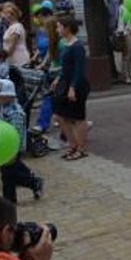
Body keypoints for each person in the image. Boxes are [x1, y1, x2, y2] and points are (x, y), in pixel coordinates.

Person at [0, 76, 44, 202]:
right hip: (3, 145)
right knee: (7, 174)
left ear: (8, 97)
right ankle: (11, 199)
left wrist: (14, 151)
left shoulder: (16, 113)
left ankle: (32, 183)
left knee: (9, 174)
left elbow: (16, 134)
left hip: (12, 147)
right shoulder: (2, 107)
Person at [53, 16, 91, 161]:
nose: (57, 30)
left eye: (59, 27)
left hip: (76, 85)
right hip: (65, 83)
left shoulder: (77, 46)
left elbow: (79, 69)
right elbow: (65, 67)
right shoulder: (65, 44)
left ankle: (81, 148)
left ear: (67, 28)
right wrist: (58, 78)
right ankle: (72, 144)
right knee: (60, 115)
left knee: (78, 117)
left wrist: (73, 87)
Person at [0, 3, 30, 68]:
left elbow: (11, 47)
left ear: (11, 15)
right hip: (12, 61)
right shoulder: (11, 27)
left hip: (19, 60)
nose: (3, 16)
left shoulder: (16, 27)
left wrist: (0, 57)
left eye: (5, 13)